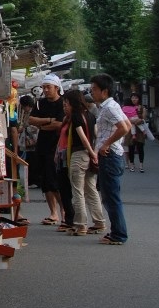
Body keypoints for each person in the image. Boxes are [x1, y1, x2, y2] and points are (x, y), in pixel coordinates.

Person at [90, 73, 130, 245]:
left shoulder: (109, 107)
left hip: (110, 155)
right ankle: (116, 232)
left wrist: (106, 144)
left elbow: (123, 128)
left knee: (111, 196)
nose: (92, 93)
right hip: (113, 154)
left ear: (104, 91)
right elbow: (127, 124)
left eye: (94, 90)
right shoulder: (110, 106)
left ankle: (118, 234)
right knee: (110, 195)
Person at [63, 88, 106, 236]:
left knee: (78, 191)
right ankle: (99, 222)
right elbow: (96, 135)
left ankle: (81, 225)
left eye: (66, 103)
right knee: (91, 190)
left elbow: (82, 137)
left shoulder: (75, 116)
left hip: (79, 155)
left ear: (71, 102)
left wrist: (90, 151)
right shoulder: (91, 115)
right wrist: (95, 152)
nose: (65, 106)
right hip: (90, 156)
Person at [29, 73, 65, 225]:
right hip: (42, 144)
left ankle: (65, 212)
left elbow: (60, 124)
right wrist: (49, 120)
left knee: (55, 180)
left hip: (57, 146)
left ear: (56, 87)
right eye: (44, 87)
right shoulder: (40, 103)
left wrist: (43, 124)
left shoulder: (62, 103)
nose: (45, 90)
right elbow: (31, 120)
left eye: (48, 87)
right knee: (45, 180)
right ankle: (53, 212)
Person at [123, 92, 146, 172]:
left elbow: (143, 119)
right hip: (130, 131)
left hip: (139, 131)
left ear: (139, 99)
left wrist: (136, 119)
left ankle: (141, 165)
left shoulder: (142, 108)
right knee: (131, 148)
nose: (134, 99)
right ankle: (131, 164)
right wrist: (132, 121)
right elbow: (124, 119)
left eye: (136, 98)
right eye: (133, 98)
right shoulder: (127, 107)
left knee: (140, 148)